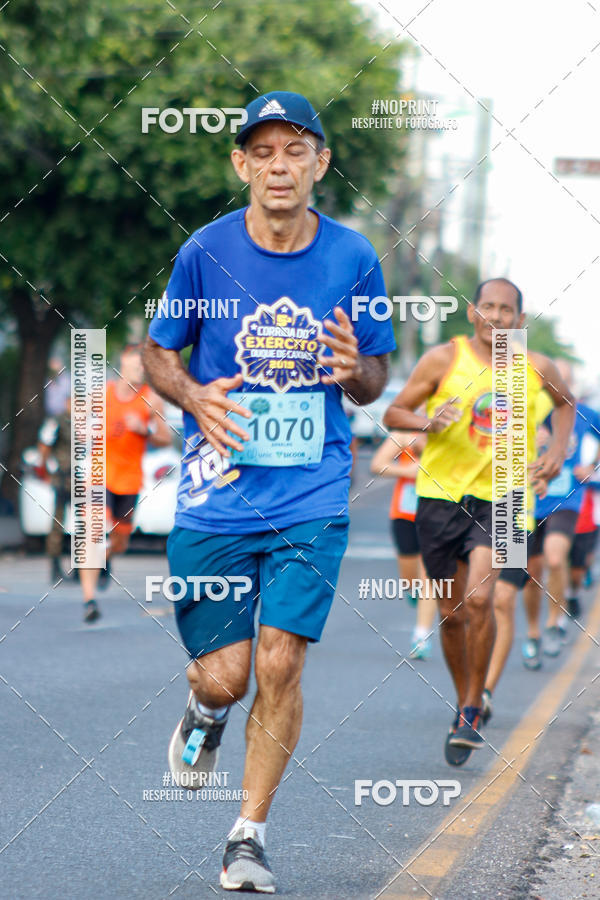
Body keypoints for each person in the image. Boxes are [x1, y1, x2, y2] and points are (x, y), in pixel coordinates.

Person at [142, 90, 395, 893]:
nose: (279, 165)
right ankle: (206, 711)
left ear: (320, 163)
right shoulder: (204, 252)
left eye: (296, 150)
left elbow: (373, 380)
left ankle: (247, 834)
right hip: (216, 496)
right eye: (264, 151)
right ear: (241, 164)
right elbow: (155, 354)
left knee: (282, 662)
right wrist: (192, 396)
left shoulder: (354, 258)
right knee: (228, 674)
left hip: (313, 495)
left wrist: (355, 370)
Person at [383, 278, 574, 765]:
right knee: (451, 615)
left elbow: (565, 404)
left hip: (508, 496)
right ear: (472, 312)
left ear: (519, 320)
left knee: (483, 597)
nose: (496, 316)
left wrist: (555, 451)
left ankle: (472, 707)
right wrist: (425, 420)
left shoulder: (535, 366)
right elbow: (393, 411)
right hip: (441, 497)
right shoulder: (443, 360)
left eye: (506, 310)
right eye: (488, 306)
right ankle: (464, 697)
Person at [79, 345, 171, 623]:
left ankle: (107, 557)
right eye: (135, 367)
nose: (139, 372)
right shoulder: (101, 395)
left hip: (129, 481)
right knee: (92, 533)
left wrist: (145, 431)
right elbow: (80, 422)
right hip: (98, 476)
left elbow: (166, 438)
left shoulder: (151, 400)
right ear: (123, 364)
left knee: (120, 541)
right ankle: (89, 600)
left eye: (144, 368)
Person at [521, 361, 600, 667]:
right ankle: (532, 632)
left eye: (564, 383)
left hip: (567, 497)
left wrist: (591, 466)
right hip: (527, 498)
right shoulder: (528, 409)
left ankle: (554, 622)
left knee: (555, 559)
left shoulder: (580, 412)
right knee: (530, 575)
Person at [370, 429, 435, 658]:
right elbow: (377, 464)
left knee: (429, 573)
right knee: (410, 578)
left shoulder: (450, 433)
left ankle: (421, 635)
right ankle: (413, 591)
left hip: (437, 512)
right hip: (406, 511)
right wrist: (408, 470)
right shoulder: (405, 435)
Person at [38, 396, 72, 583]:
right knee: (58, 523)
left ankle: (82, 567)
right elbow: (44, 446)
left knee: (86, 523)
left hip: (82, 479)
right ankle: (54, 565)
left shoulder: (90, 423)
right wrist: (45, 471)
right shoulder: (56, 421)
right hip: (62, 476)